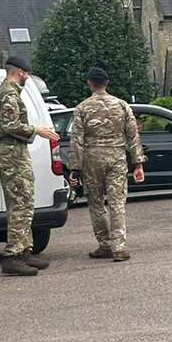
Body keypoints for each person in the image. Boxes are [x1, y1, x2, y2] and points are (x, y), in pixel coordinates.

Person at [0, 56, 57, 276]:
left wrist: (0, 136)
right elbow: (9, 124)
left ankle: (24, 250)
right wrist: (36, 130)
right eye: (27, 74)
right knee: (20, 203)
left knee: (25, 200)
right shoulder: (8, 93)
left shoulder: (2, 91)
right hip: (13, 152)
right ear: (21, 72)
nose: (27, 77)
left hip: (12, 149)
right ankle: (12, 255)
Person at [68, 66, 145, 261]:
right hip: (116, 156)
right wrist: (138, 163)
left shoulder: (82, 108)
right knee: (117, 202)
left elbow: (76, 140)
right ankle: (119, 246)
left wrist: (75, 168)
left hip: (92, 158)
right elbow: (133, 135)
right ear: (107, 83)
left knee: (96, 202)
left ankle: (105, 244)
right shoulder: (121, 105)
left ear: (89, 84)